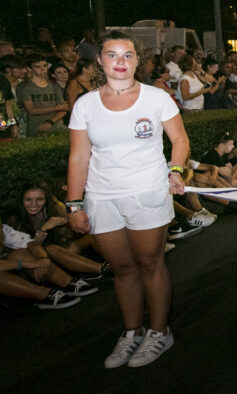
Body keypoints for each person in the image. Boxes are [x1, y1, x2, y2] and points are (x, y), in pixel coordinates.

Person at [66, 30, 189, 366]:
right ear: (100, 60)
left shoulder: (156, 98)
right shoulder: (85, 104)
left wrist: (176, 170)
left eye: (127, 55)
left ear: (138, 60)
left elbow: (180, 140)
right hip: (102, 197)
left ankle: (159, 332)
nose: (120, 62)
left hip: (148, 193)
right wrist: (74, 204)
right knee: (121, 269)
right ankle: (132, 331)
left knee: (150, 263)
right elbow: (78, 156)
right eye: (112, 54)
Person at [16, 53, 68, 136]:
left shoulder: (54, 86)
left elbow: (64, 110)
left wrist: (50, 122)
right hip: (36, 130)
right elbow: (32, 110)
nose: (43, 69)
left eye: (45, 66)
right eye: (38, 67)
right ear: (29, 69)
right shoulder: (24, 87)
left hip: (57, 128)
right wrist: (57, 107)